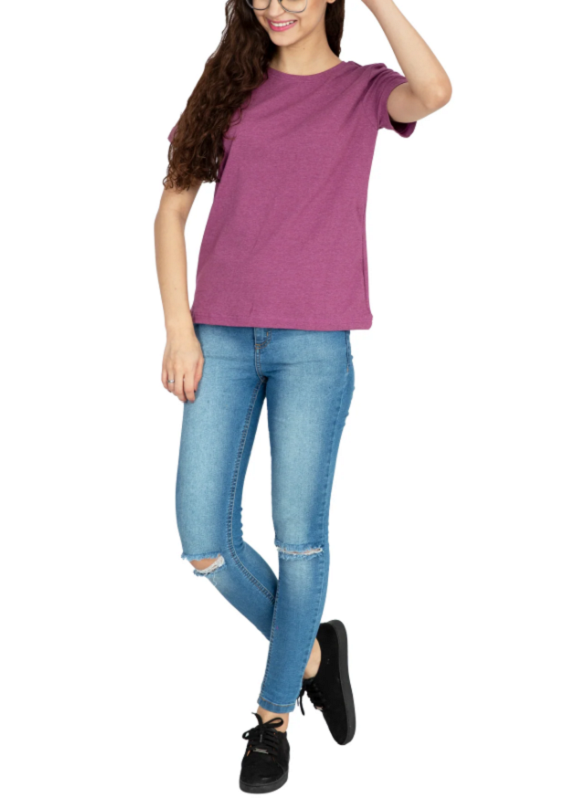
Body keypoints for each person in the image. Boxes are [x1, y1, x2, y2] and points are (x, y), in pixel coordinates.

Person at [154, 0, 450, 793]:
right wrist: (179, 330)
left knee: (298, 542)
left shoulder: (363, 90)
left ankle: (273, 715)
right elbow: (171, 211)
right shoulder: (228, 82)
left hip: (314, 347)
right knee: (204, 541)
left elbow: (434, 91)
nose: (274, 4)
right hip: (217, 339)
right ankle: (315, 652)